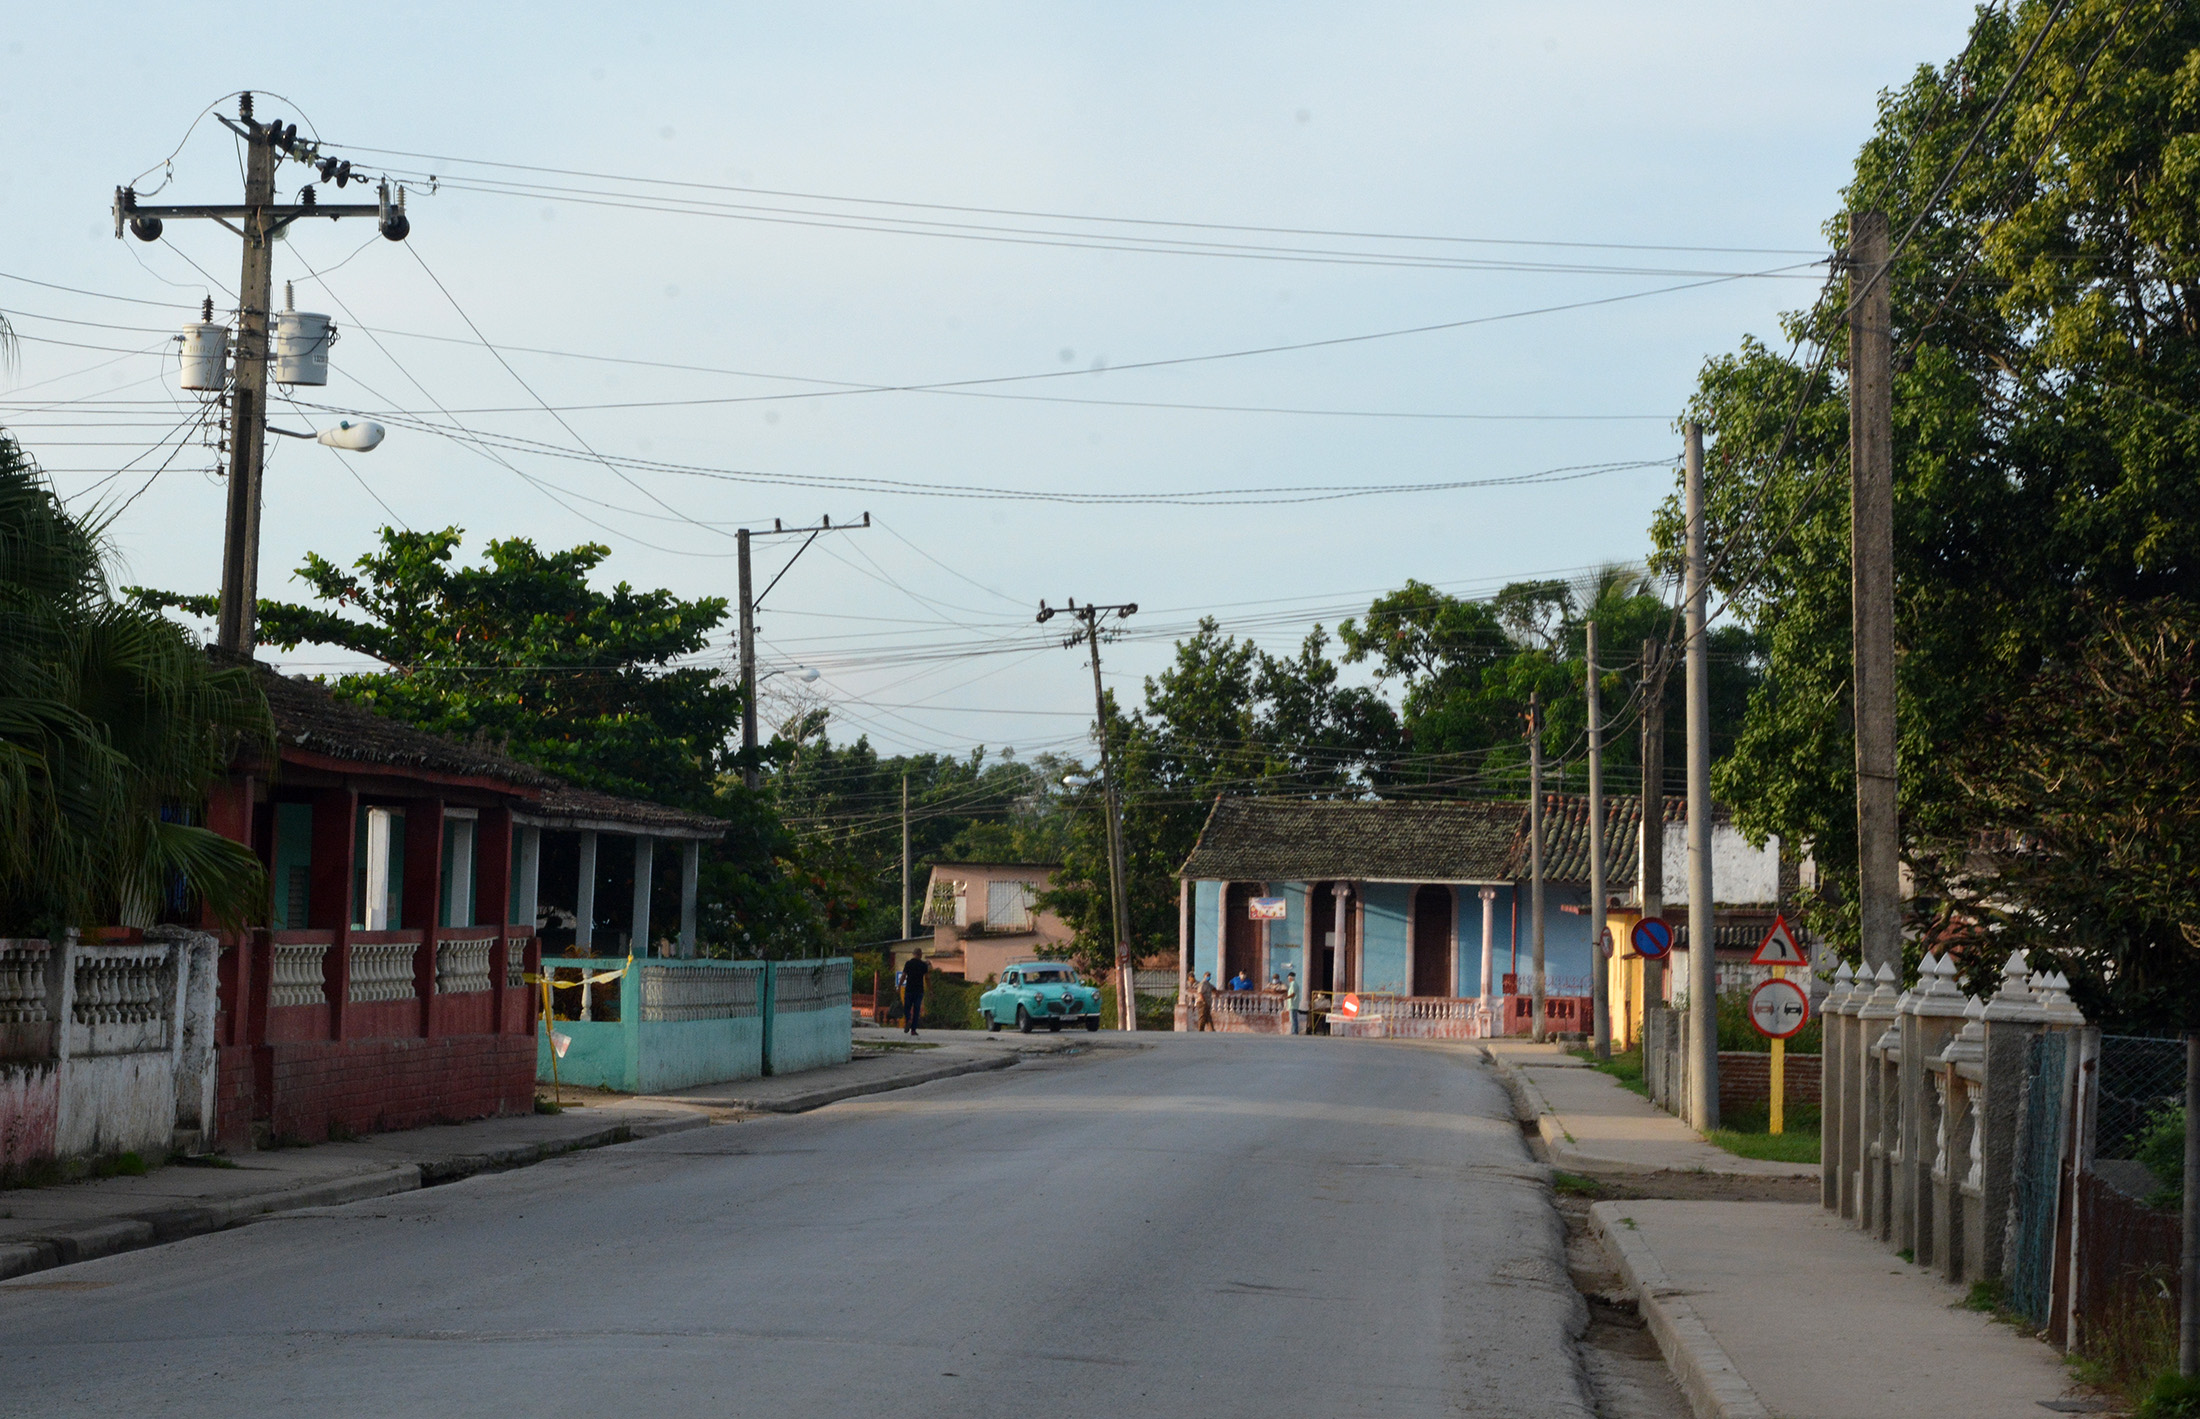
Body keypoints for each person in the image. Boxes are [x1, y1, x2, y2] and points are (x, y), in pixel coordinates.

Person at [897, 949, 930, 1036]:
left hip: (909, 989)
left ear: (913, 954)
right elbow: (927, 978)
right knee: (916, 1010)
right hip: (919, 990)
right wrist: (930, 990)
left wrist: (899, 986)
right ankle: (913, 1030)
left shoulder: (908, 963)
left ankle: (908, 1019)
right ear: (920, 955)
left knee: (907, 1007)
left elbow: (903, 976)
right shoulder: (923, 965)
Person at [1283, 968, 1300, 1035]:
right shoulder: (1294, 984)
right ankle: (1294, 1031)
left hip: (1293, 1004)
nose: (1288, 979)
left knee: (1293, 1019)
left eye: (1288, 978)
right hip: (1293, 1004)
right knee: (1294, 1018)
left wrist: (1286, 997)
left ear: (1290, 978)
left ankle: (1294, 1031)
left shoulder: (1293, 984)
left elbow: (1292, 994)